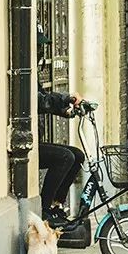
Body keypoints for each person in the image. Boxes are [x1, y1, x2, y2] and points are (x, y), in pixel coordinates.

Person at [38, 87, 86, 225]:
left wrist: (67, 111)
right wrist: (67, 97)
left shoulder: (33, 78)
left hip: (36, 142)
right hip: (28, 145)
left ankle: (56, 204)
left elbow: (45, 98)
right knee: (65, 157)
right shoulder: (27, 77)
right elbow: (40, 101)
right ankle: (44, 209)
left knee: (78, 156)